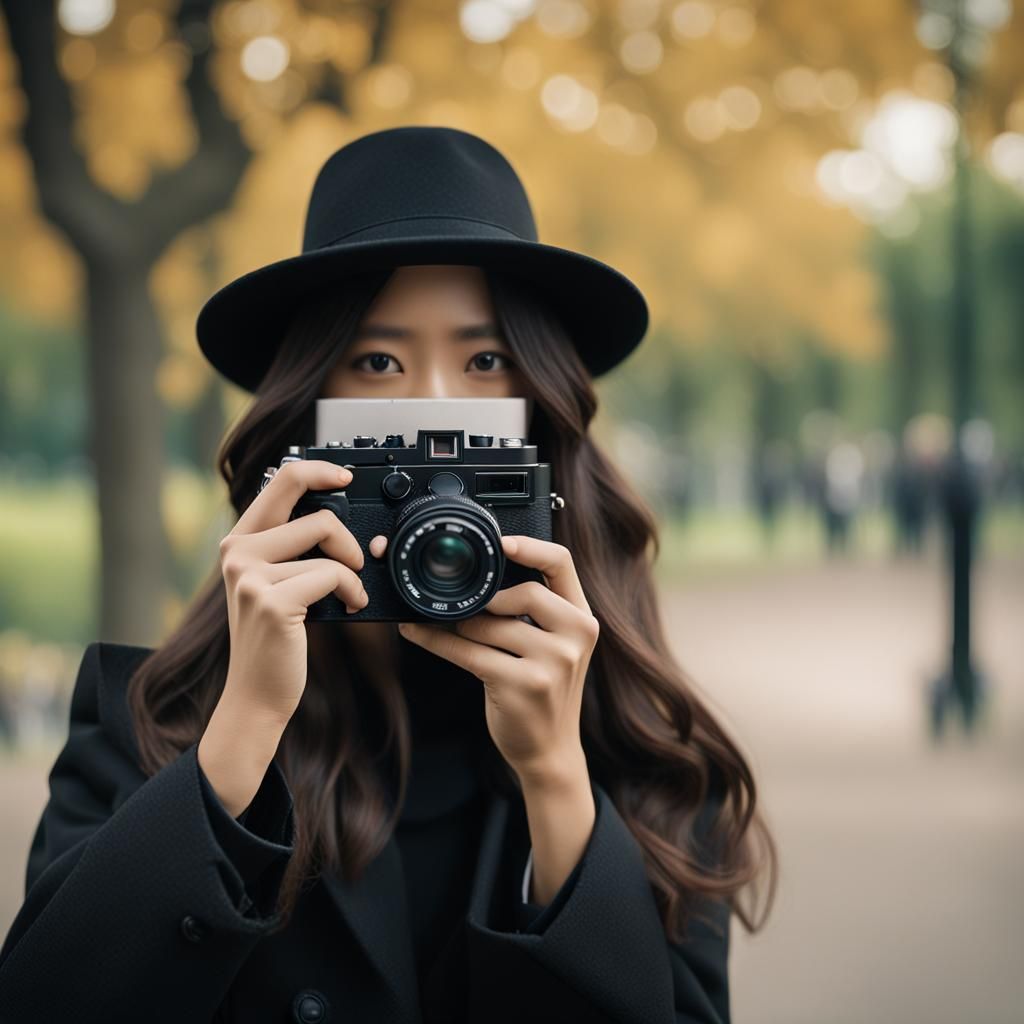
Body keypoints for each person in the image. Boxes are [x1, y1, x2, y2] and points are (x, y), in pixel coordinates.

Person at [0, 127, 777, 1024]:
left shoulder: (649, 753)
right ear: (306, 423)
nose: (432, 406)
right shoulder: (147, 726)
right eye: (377, 362)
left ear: (542, 424)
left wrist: (560, 782)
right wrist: (240, 732)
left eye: (485, 362)